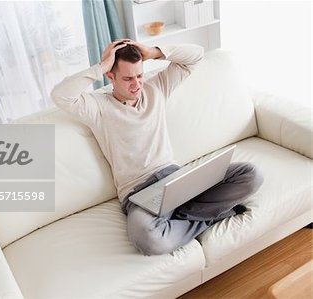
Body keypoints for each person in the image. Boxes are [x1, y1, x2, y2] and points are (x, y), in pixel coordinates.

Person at [51, 39, 263, 256]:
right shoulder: (98, 107)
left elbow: (196, 55)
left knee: (251, 175)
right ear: (111, 76)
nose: (136, 84)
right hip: (139, 194)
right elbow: (60, 95)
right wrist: (102, 65)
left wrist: (153, 52)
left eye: (139, 75)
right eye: (127, 78)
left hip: (176, 179)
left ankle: (178, 219)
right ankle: (212, 215)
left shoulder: (156, 88)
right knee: (148, 240)